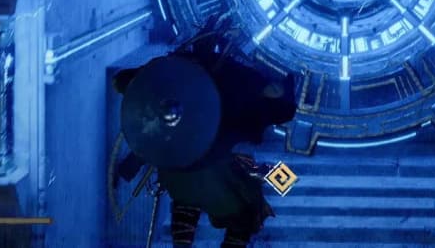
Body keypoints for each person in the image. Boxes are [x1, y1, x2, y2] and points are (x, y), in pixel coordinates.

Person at [113, 15, 297, 247]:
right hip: (203, 169)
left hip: (184, 169)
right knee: (245, 211)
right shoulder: (234, 80)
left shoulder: (206, 74)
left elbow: (123, 83)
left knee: (198, 199)